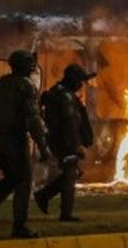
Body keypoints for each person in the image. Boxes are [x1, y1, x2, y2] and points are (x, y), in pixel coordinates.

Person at [0, 50, 49, 238]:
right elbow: (33, 119)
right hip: (14, 139)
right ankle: (19, 226)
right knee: (23, 181)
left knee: (11, 179)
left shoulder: (0, 84)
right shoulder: (26, 87)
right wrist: (42, 145)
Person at [34, 64, 95, 221]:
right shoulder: (65, 97)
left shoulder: (60, 92)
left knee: (72, 173)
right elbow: (70, 124)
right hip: (65, 141)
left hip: (59, 140)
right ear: (73, 80)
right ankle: (65, 213)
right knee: (70, 174)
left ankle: (43, 196)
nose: (81, 85)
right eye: (80, 81)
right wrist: (76, 146)